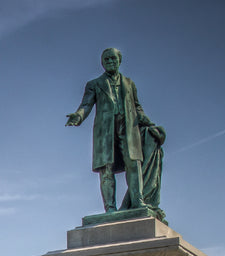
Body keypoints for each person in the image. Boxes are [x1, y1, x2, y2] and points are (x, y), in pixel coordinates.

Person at [66, 48, 165, 218]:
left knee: (133, 164)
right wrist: (78, 116)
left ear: (119, 61)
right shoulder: (94, 84)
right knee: (106, 169)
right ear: (102, 63)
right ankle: (110, 208)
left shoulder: (129, 83)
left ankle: (137, 200)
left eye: (113, 58)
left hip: (128, 128)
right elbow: (86, 105)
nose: (110, 62)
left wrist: (149, 123)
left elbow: (137, 107)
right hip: (105, 131)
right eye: (106, 60)